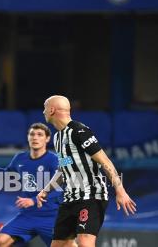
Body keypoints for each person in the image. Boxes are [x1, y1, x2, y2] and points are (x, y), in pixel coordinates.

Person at [36, 95, 137, 247]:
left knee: (84, 242)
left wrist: (120, 189)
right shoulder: (57, 138)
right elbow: (64, 170)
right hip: (70, 199)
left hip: (91, 196)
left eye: (45, 108)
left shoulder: (79, 131)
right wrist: (46, 190)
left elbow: (105, 161)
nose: (43, 112)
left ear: (51, 110)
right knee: (59, 245)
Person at [0, 123, 62, 247]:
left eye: (40, 135)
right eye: (32, 134)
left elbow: (58, 188)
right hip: (27, 216)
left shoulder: (54, 159)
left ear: (47, 139)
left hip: (51, 216)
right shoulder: (19, 158)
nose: (35, 137)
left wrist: (34, 200)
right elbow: (6, 174)